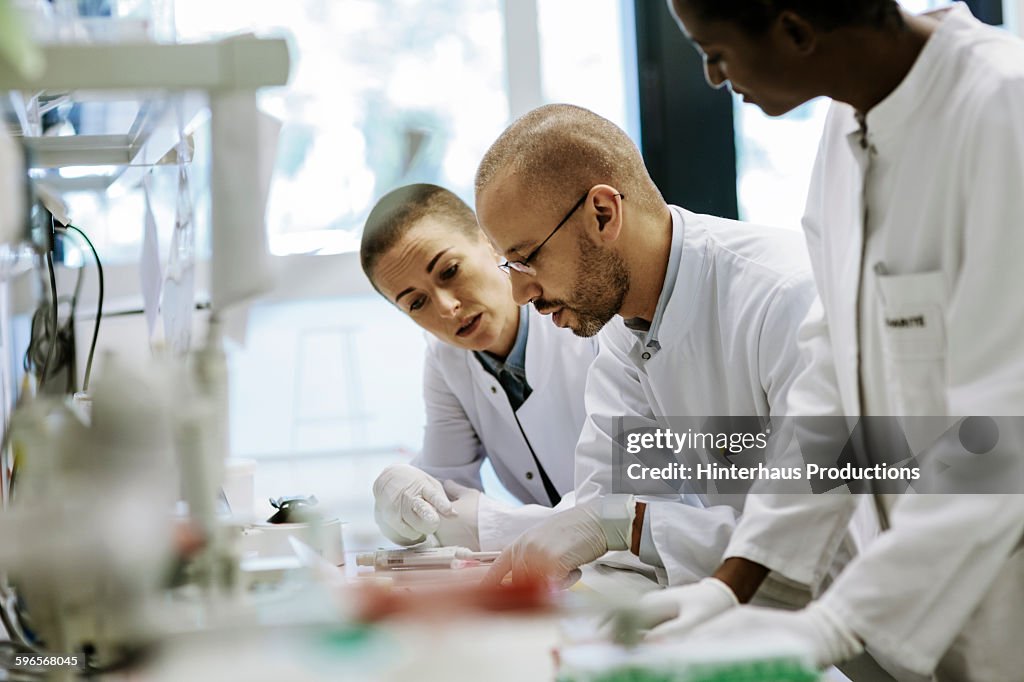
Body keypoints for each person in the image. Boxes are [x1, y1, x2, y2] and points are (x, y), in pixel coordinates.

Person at [657, 2, 1024, 679]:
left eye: (716, 51)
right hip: (930, 611)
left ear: (796, 30)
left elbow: (1001, 438)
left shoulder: (1003, 110)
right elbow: (834, 383)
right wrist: (730, 584)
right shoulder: (847, 126)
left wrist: (834, 623)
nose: (711, 77)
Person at [474, 104, 857, 610]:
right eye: (508, 265)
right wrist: (616, 526)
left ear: (603, 214)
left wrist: (628, 523)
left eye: (527, 259)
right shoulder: (625, 333)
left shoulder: (785, 298)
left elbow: (828, 548)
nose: (520, 293)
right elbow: (608, 524)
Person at [360, 184, 598, 552]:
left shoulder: (589, 322)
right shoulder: (446, 358)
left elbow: (631, 512)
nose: (446, 308)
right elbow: (444, 494)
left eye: (450, 270)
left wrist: (495, 526)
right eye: (417, 302)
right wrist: (400, 511)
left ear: (489, 240)